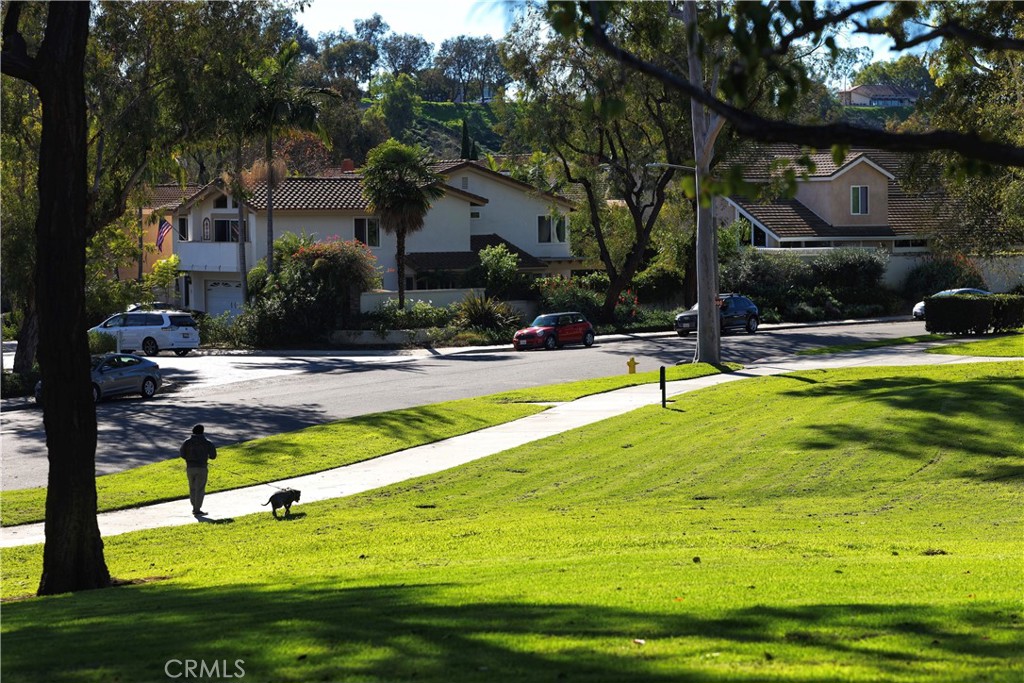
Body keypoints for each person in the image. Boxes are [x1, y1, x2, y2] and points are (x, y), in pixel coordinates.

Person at [179, 424, 217, 516]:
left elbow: (182, 454)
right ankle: (197, 509)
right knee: (200, 489)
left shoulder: (187, 442)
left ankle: (194, 507)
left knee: (192, 488)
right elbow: (213, 456)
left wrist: (190, 458)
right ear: (202, 431)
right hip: (202, 468)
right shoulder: (207, 442)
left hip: (190, 467)